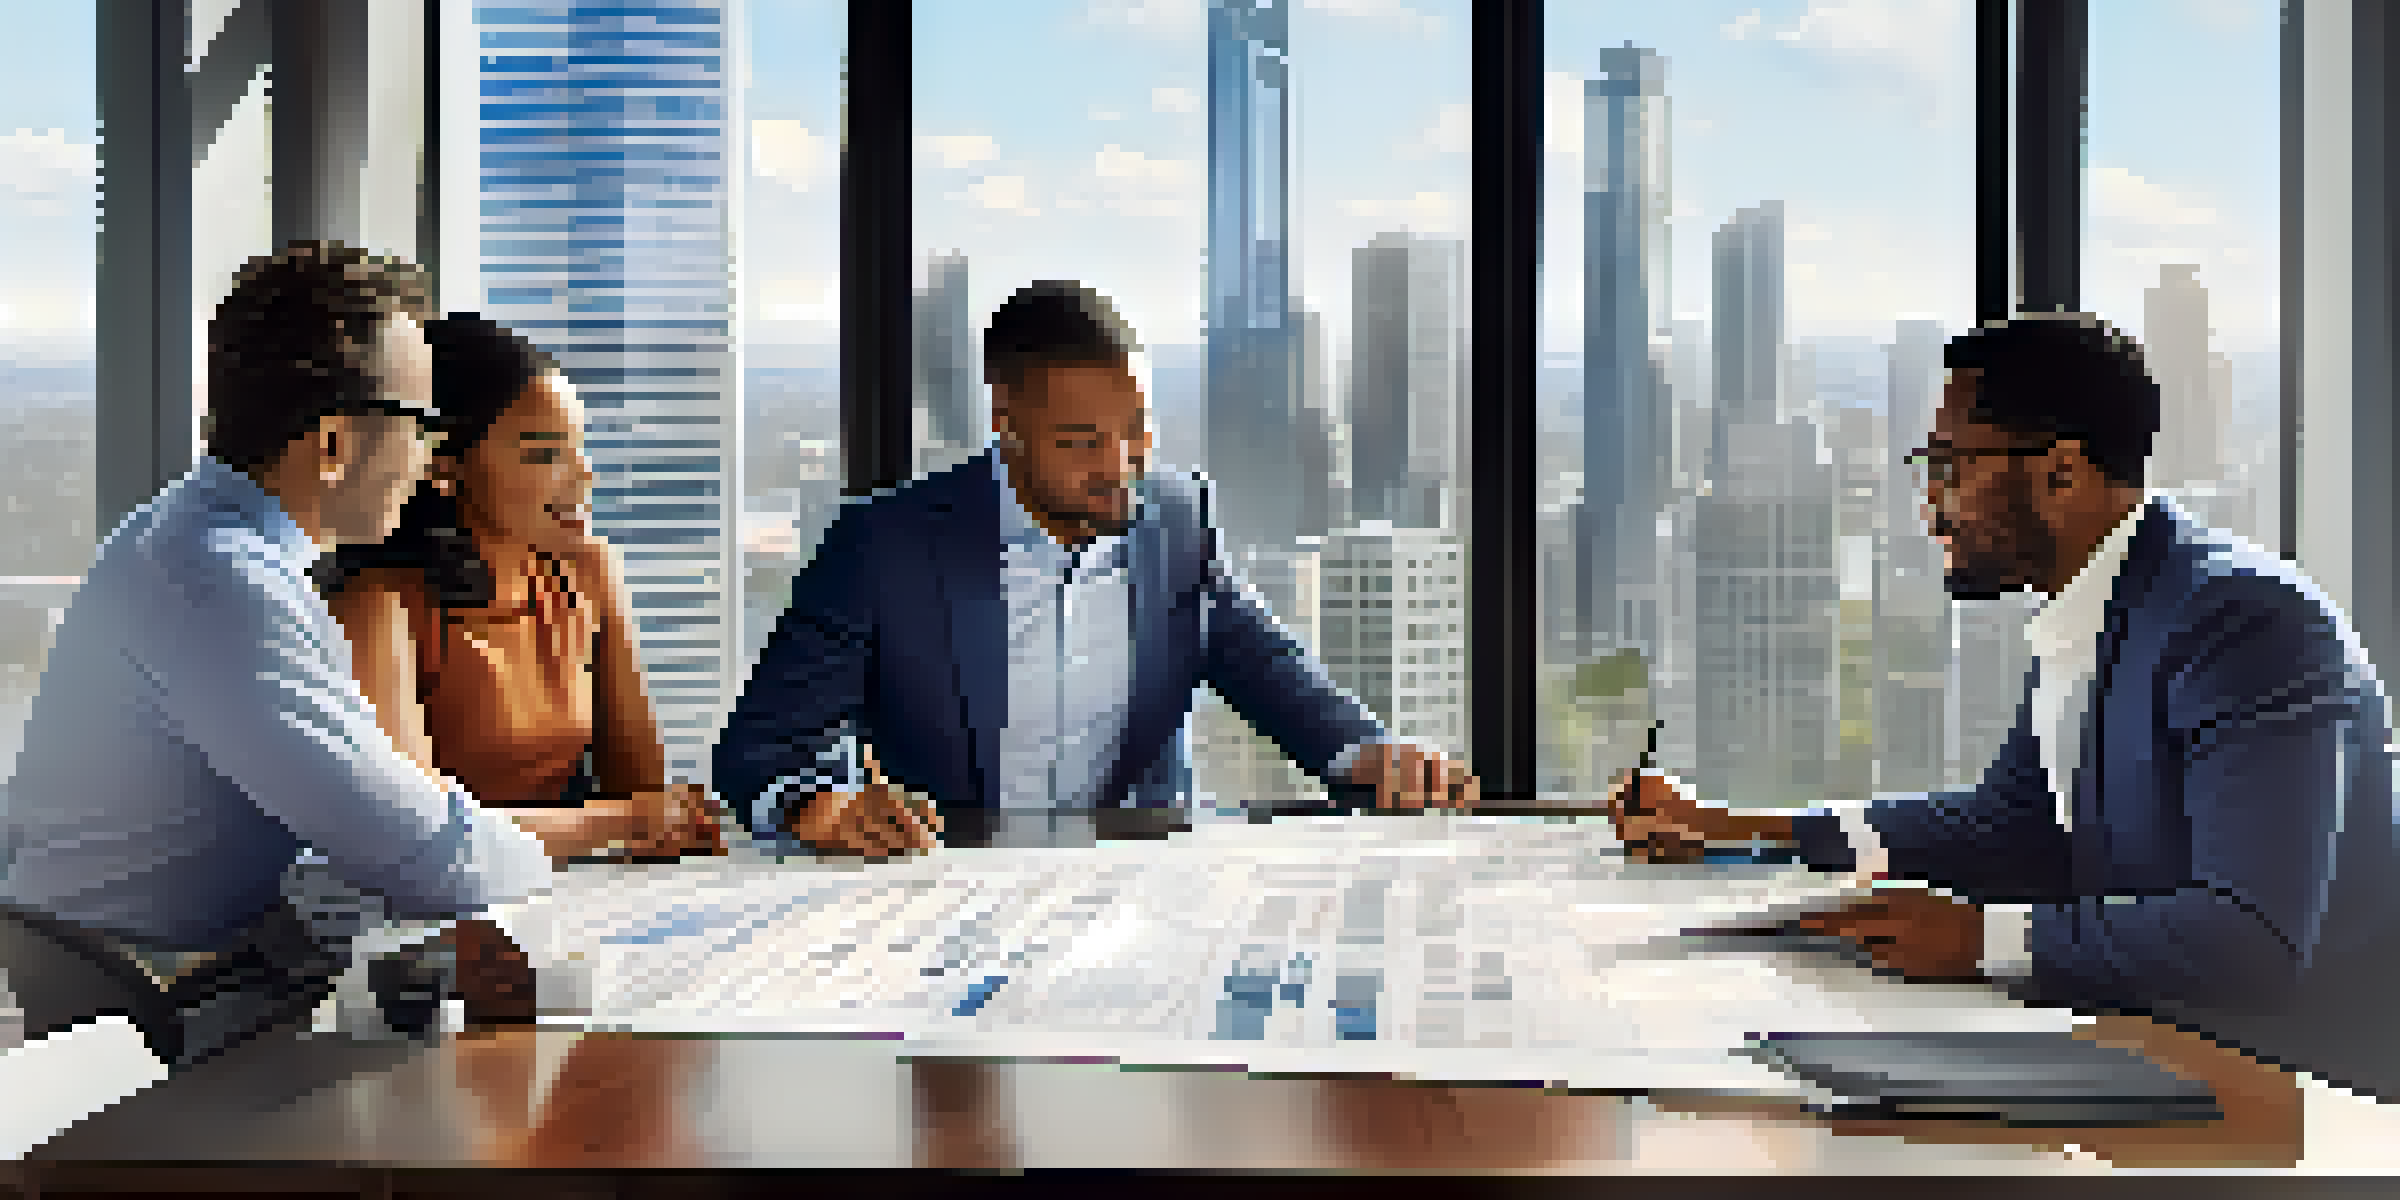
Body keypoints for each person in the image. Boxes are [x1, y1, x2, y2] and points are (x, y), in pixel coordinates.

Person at [1605, 313, 2400, 1098]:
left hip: (2294, 1096)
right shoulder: (2096, 604)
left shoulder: (2244, 622)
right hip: (2150, 1049)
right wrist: (1737, 830)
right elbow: (2010, 823)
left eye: (1951, 467)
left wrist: (1981, 939)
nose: (1930, 503)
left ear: (2061, 471)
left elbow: (2250, 936)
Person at [0, 242, 568, 1068]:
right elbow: (420, 855)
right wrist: (558, 867)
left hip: (168, 989)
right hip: (173, 1030)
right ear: (333, 445)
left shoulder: (187, 537)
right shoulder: (226, 588)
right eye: (423, 425)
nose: (436, 462)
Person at [716, 280, 1478, 854]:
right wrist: (820, 808)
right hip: (946, 890)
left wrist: (1371, 752)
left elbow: (1269, 669)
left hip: (1136, 890)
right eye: (1081, 442)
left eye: (1137, 430)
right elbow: (760, 750)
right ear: (1006, 424)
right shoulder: (885, 546)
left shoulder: (1181, 519)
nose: (1120, 467)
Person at [321, 313, 719, 860]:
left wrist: (659, 820)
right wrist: (622, 823)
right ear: (442, 463)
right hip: (436, 911)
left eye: (579, 447)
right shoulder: (383, 603)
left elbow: (640, 796)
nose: (583, 477)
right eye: (544, 455)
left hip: (564, 893)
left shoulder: (586, 573)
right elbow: (410, 826)